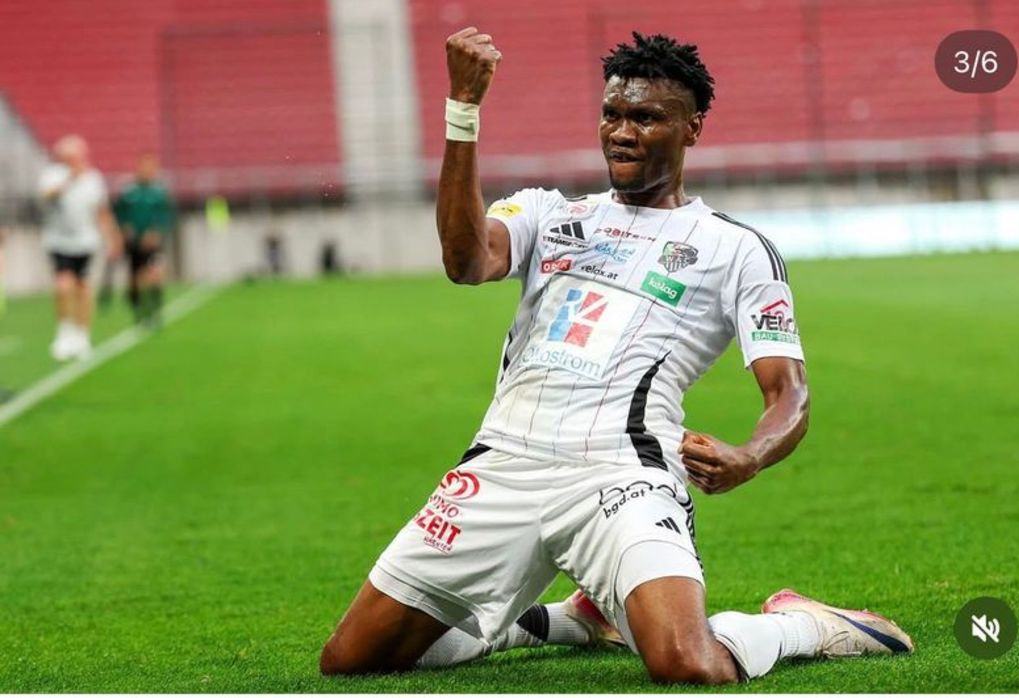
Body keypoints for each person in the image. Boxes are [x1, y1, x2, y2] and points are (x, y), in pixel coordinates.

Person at [319, 30, 914, 684]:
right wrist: (464, 109)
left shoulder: (736, 249)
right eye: (612, 114)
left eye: (647, 118)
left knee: (687, 664)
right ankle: (568, 620)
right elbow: (465, 261)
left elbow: (789, 394)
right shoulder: (547, 213)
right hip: (505, 461)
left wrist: (750, 455)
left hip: (621, 470)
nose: (623, 133)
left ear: (692, 128)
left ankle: (802, 624)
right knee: (353, 660)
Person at [38, 135, 121, 360]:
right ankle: (64, 332)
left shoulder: (93, 179)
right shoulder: (52, 175)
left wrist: (112, 238)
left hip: (85, 242)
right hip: (58, 241)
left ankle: (82, 335)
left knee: (83, 287)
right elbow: (45, 196)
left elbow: (101, 212)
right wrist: (70, 180)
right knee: (63, 284)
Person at [113, 153, 175, 326]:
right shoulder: (129, 191)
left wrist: (157, 231)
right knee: (135, 277)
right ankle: (138, 309)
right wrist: (124, 228)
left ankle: (155, 310)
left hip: (153, 243)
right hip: (133, 242)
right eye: (144, 166)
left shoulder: (159, 192)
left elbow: (167, 215)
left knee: (155, 274)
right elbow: (119, 213)